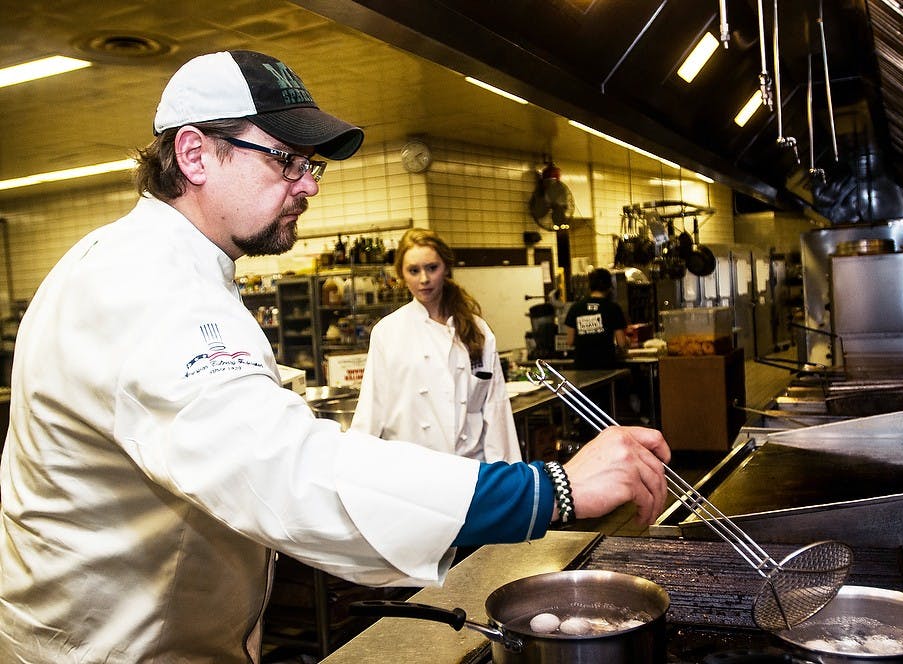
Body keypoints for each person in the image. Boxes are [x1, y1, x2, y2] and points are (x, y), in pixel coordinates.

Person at [0, 50, 670, 663]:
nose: (308, 186)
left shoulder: (169, 268)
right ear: (195, 155)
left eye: (309, 164)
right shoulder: (142, 285)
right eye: (285, 160)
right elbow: (286, 472)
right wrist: (546, 489)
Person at [351, 228, 522, 463]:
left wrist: (507, 481)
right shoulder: (388, 332)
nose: (424, 279)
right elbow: (372, 408)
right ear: (401, 274)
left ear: (446, 267)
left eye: (432, 268)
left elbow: (495, 409)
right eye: (413, 271)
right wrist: (356, 467)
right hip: (411, 469)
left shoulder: (477, 330)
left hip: (470, 469)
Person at [564, 267, 629, 369]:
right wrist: (627, 341)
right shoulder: (613, 308)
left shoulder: (575, 308)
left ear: (590, 285)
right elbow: (621, 343)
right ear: (609, 286)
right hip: (605, 366)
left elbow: (569, 341)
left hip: (582, 367)